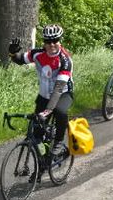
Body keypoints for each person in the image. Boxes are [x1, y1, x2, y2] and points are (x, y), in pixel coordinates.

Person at [8, 24, 74, 152]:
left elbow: (59, 88)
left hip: (63, 94)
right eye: (48, 41)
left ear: (59, 41)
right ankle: (43, 157)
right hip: (44, 96)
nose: (52, 44)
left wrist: (48, 111)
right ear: (44, 42)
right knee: (36, 134)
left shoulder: (65, 60)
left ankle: (59, 141)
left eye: (55, 40)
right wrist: (12, 53)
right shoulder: (37, 54)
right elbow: (20, 59)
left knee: (60, 111)